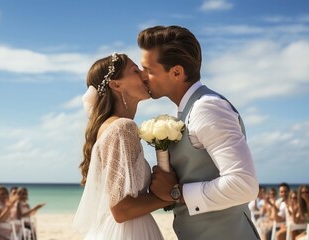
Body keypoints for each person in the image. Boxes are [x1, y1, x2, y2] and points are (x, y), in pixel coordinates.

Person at [138, 25, 259, 239]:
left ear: (176, 72)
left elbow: (243, 184)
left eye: (148, 70)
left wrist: (177, 192)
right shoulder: (187, 110)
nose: (142, 76)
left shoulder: (208, 108)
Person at [73, 53, 172, 239]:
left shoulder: (110, 127)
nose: (144, 74)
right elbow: (121, 209)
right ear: (116, 85)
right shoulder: (122, 127)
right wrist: (171, 195)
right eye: (135, 70)